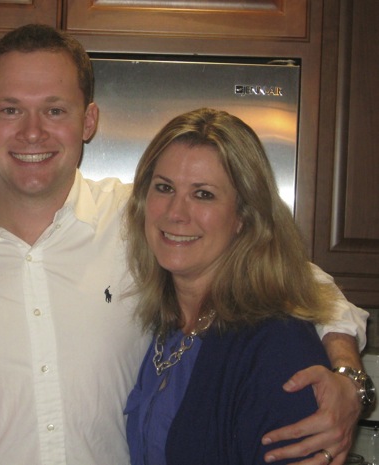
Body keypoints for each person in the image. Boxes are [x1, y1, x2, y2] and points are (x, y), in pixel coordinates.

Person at [0, 24, 368, 465]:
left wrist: (347, 376)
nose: (32, 132)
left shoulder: (141, 219)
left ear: (88, 121)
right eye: (11, 110)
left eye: (55, 110)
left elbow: (295, 284)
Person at [123, 107, 347, 464]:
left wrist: (350, 378)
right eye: (164, 188)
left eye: (204, 194)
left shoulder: (277, 345)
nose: (175, 213)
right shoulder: (171, 328)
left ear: (244, 216)